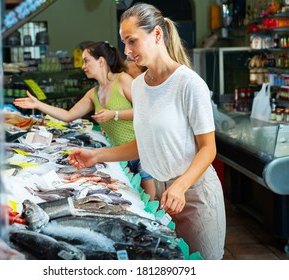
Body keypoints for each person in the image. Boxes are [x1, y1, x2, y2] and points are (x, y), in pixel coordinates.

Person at [68, 3, 226, 260]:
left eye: (132, 41)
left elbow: (208, 148)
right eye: (124, 43)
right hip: (163, 196)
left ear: (157, 35)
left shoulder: (189, 83)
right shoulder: (140, 85)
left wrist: (181, 186)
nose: (127, 52)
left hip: (194, 193)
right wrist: (96, 156)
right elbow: (144, 143)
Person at [13, 41, 156, 200]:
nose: (83, 66)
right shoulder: (93, 93)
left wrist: (114, 114)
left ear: (101, 61)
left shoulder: (123, 80)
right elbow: (68, 115)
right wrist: (38, 105)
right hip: (118, 156)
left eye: (86, 61)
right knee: (134, 199)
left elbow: (145, 112)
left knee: (149, 201)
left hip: (140, 151)